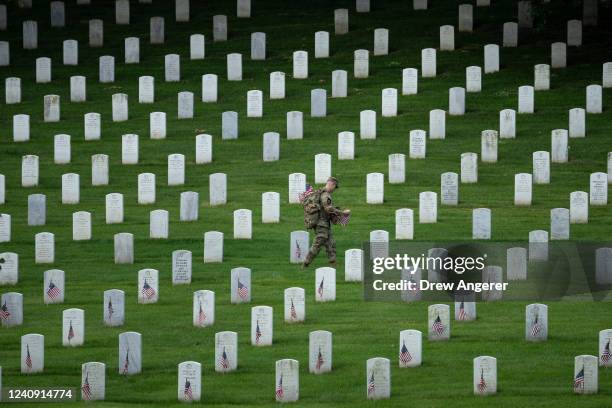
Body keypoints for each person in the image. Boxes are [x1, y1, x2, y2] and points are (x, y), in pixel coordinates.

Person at [302, 177, 350, 269]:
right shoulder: (325, 195)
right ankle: (306, 263)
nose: (334, 190)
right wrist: (342, 213)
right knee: (318, 243)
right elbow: (328, 208)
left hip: (324, 223)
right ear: (331, 184)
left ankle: (333, 264)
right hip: (321, 223)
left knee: (331, 243)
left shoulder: (320, 192)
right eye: (334, 187)